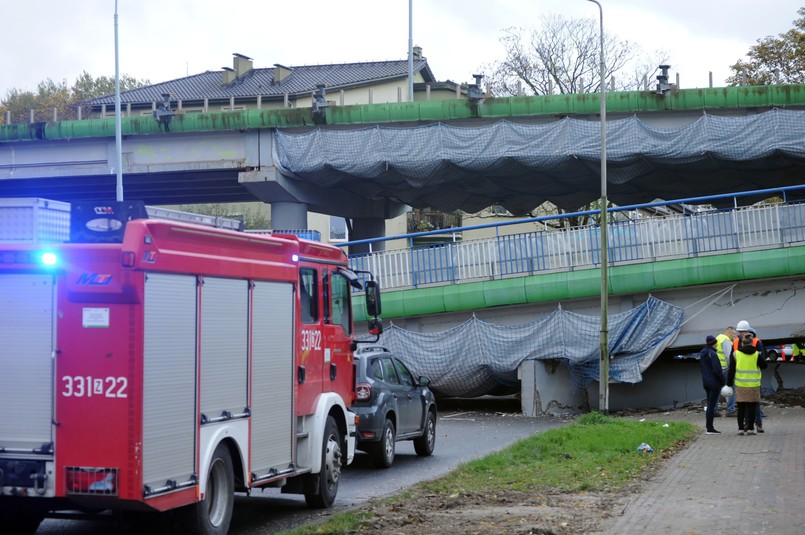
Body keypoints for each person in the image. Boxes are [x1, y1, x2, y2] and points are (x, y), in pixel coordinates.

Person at [727, 329, 768, 435]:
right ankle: (750, 429)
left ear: (742, 342)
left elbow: (731, 370)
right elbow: (764, 365)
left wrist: (729, 384)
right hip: (753, 385)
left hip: (740, 385)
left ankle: (740, 429)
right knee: (752, 407)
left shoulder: (736, 354)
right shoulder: (756, 355)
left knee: (741, 408)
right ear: (751, 342)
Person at [700, 335, 726, 434]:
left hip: (706, 382)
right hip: (714, 383)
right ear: (713, 344)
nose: (717, 345)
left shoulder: (703, 353)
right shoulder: (712, 354)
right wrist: (723, 381)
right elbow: (717, 370)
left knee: (709, 404)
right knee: (712, 405)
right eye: (716, 343)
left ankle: (709, 427)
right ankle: (710, 428)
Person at [715, 326, 736, 415]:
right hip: (725, 369)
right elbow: (728, 356)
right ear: (729, 332)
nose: (733, 337)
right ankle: (730, 409)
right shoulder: (726, 340)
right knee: (731, 388)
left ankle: (714, 410)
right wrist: (731, 369)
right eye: (733, 334)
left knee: (716, 390)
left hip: (717, 369)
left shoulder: (718, 338)